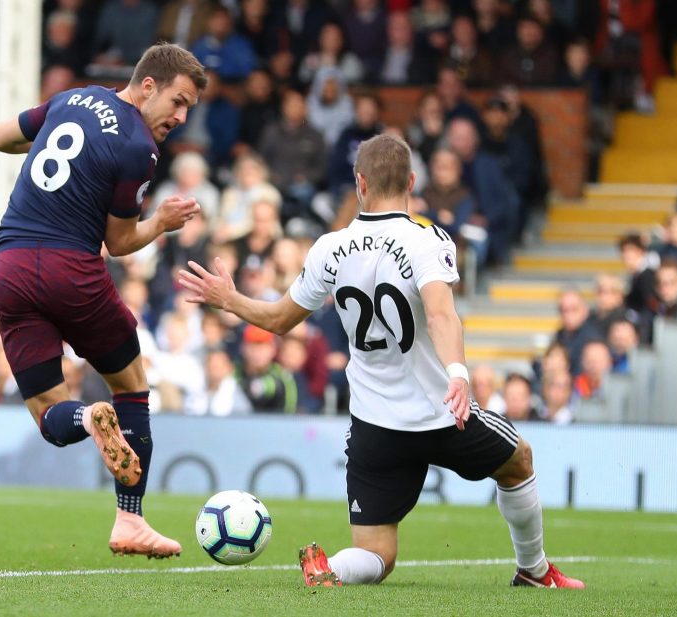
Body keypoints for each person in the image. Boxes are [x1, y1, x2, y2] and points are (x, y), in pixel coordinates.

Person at [178, 134, 584, 589]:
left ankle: (330, 567)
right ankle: (533, 570)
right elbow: (441, 314)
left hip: (374, 424)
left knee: (377, 555)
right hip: (441, 413)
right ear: (412, 181)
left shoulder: (329, 248)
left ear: (360, 182)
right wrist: (458, 374)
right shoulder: (425, 240)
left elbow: (277, 320)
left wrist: (230, 299)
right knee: (518, 461)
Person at [0, 43, 207, 559]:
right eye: (177, 101)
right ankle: (130, 519)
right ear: (147, 84)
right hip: (70, 269)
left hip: (10, 267)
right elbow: (121, 243)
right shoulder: (137, 147)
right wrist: (164, 223)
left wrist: (47, 145)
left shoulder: (70, 99)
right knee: (131, 385)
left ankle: (86, 419)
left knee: (49, 415)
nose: (180, 116)